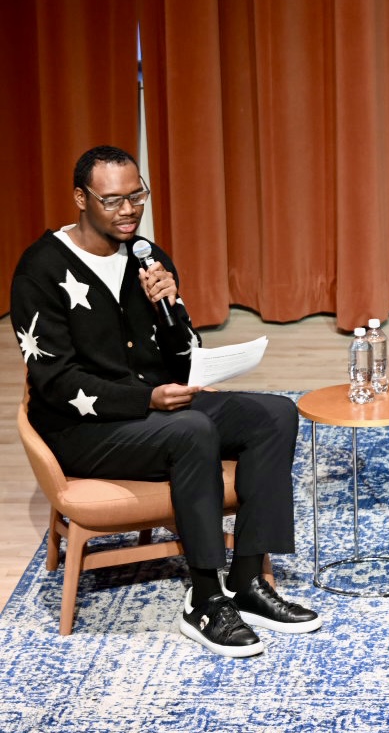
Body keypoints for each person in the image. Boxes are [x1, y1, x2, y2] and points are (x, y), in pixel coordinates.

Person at [10, 145, 318, 658]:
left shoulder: (147, 256)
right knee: (191, 431)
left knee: (275, 414)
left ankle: (246, 581)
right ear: (80, 198)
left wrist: (170, 308)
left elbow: (182, 360)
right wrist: (146, 397)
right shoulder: (39, 270)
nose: (128, 210)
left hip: (157, 406)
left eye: (137, 195)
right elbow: (56, 382)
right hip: (83, 429)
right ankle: (203, 599)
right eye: (113, 200)